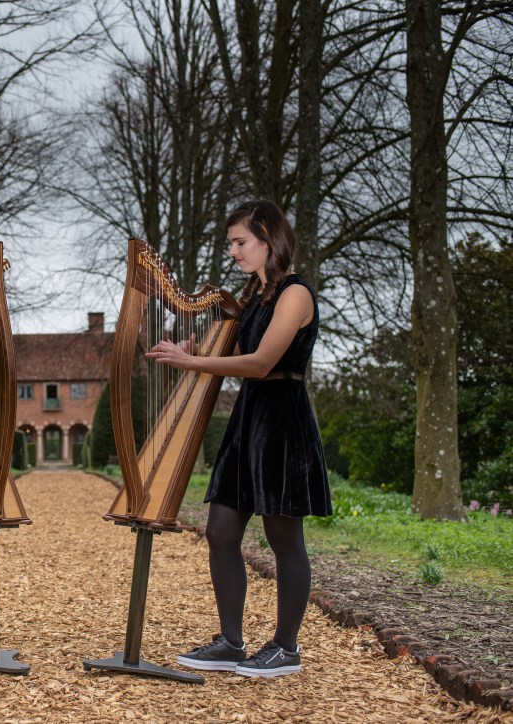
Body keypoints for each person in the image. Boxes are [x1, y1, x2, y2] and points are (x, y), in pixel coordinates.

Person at [147, 199, 331, 678]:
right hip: (248, 419)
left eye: (240, 242)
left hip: (281, 420)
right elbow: (229, 344)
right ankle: (231, 641)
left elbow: (261, 363)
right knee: (221, 532)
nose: (233, 251)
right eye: (230, 243)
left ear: (269, 239)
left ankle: (285, 649)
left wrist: (196, 363)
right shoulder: (254, 295)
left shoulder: (294, 294)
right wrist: (192, 346)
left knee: (283, 538)